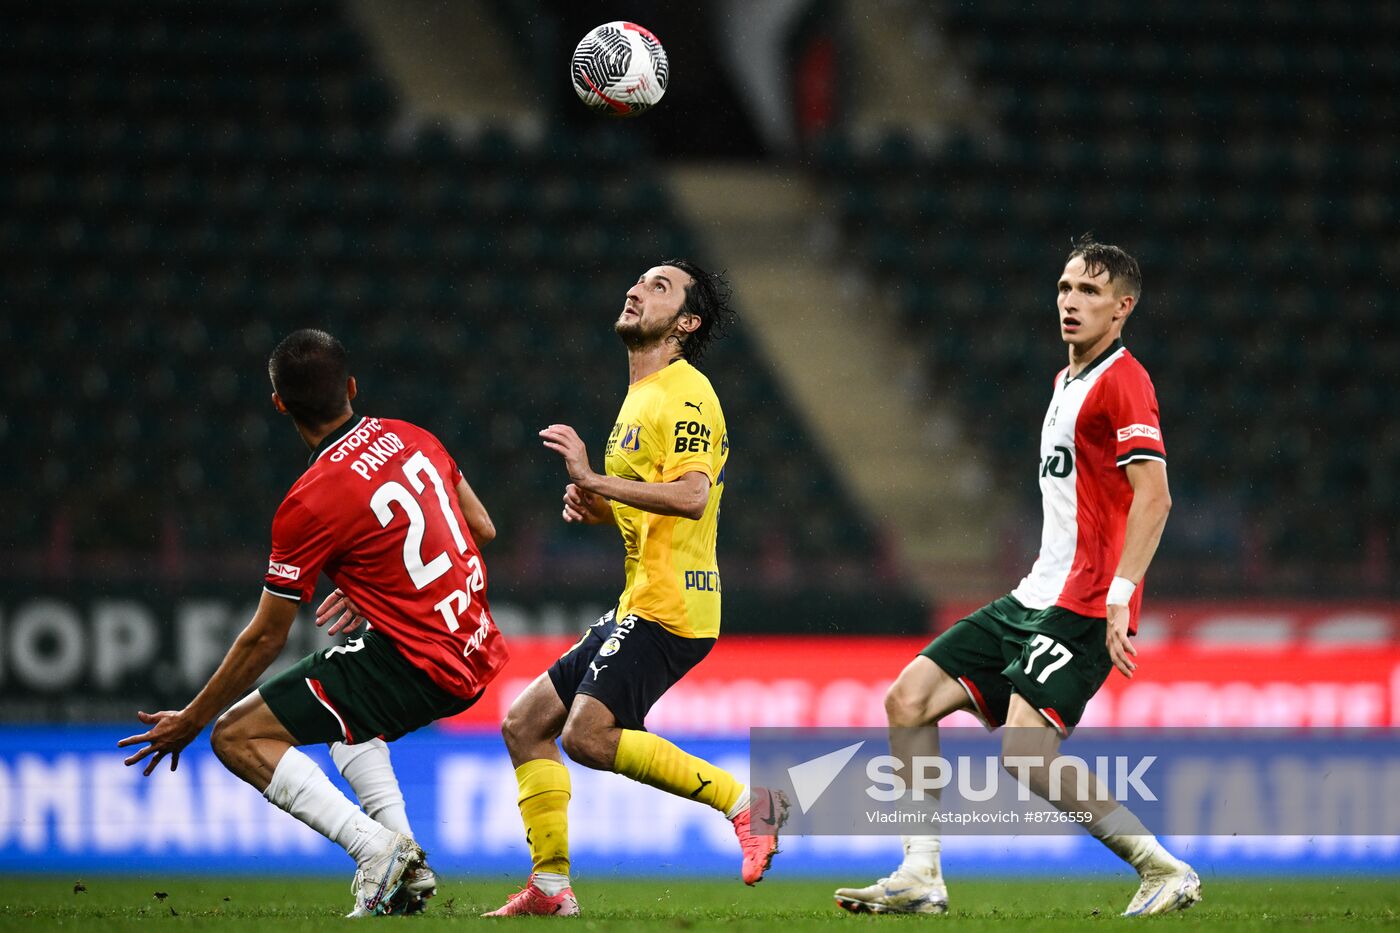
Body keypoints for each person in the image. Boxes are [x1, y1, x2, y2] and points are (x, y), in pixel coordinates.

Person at [834, 239, 1198, 917]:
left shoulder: (1125, 379)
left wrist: (1121, 595)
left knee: (1026, 752)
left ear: (1123, 309)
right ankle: (920, 874)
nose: (1070, 301)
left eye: (1089, 292)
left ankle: (1163, 866)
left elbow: (1155, 495)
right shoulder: (1065, 382)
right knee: (907, 699)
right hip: (1035, 592)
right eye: (1064, 288)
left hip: (1085, 601)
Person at [119, 328, 508, 917]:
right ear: (352, 387)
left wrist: (192, 719)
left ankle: (374, 850)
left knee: (236, 735)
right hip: (475, 646)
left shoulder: (310, 501)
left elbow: (265, 637)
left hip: (420, 662)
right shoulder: (412, 436)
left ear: (278, 404)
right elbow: (480, 528)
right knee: (350, 728)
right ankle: (408, 865)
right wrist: (376, 584)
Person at [483, 260, 787, 917]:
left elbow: (692, 494)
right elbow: (645, 503)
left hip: (673, 604)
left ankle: (747, 803)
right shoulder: (641, 396)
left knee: (587, 735)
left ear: (686, 322)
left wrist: (595, 480)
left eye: (659, 287)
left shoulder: (685, 391)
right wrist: (595, 503)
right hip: (640, 599)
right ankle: (552, 887)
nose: (635, 290)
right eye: (637, 281)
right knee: (525, 723)